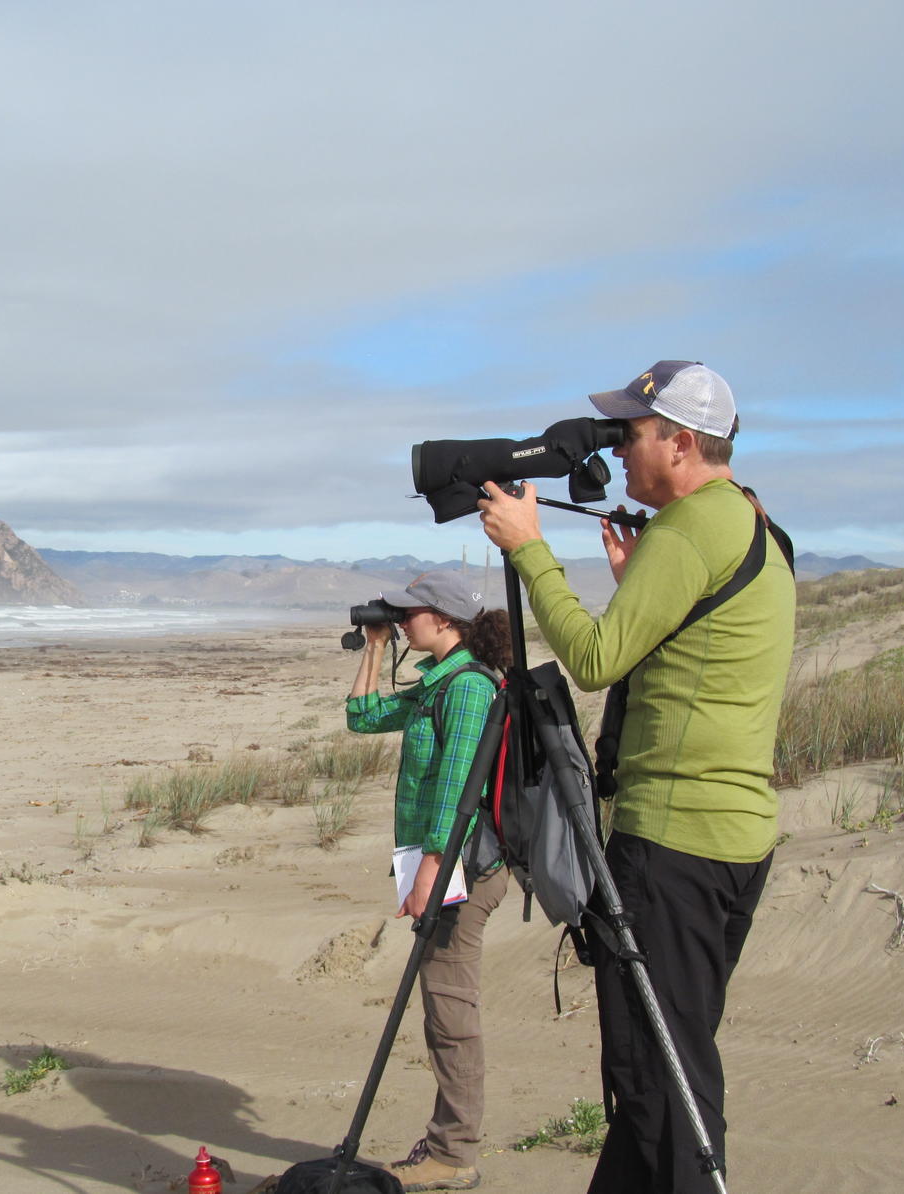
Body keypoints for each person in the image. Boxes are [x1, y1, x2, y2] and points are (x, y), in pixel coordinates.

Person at [476, 361, 795, 1192]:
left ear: (682, 443)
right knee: (667, 1059)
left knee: (664, 1086)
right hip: (733, 842)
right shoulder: (750, 525)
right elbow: (701, 657)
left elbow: (591, 659)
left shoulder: (689, 532)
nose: (619, 450)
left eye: (633, 433)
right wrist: (637, 588)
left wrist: (530, 549)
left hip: (674, 847)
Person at [345, 570, 514, 1192]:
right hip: (447, 867)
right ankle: (449, 1142)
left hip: (460, 869)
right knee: (443, 1005)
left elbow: (455, 794)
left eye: (406, 615)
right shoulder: (439, 685)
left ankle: (455, 1153)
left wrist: (430, 878)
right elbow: (362, 718)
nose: (400, 621)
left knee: (449, 1011)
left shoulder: (466, 689)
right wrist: (375, 648)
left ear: (443, 619)